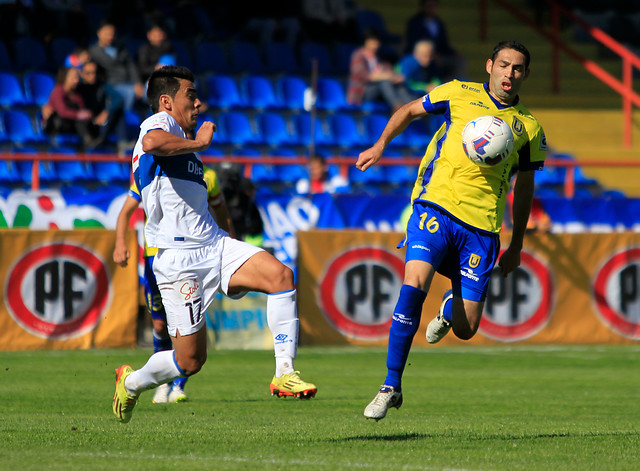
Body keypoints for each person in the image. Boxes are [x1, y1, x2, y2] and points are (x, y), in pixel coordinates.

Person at [112, 65, 317, 423]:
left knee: (281, 276)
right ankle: (131, 383)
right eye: (191, 95)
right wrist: (200, 143)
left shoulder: (185, 150)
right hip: (177, 259)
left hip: (215, 246)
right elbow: (150, 143)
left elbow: (209, 204)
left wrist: (231, 237)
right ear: (166, 101)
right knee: (189, 361)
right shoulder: (157, 126)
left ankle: (284, 373)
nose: (199, 102)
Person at [357, 40, 547, 421]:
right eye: (504, 65)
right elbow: (410, 109)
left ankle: (450, 308)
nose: (510, 74)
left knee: (466, 328)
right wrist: (380, 145)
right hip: (435, 207)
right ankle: (390, 385)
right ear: (489, 65)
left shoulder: (529, 128)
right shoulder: (459, 91)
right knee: (413, 285)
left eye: (518, 69)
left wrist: (517, 244)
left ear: (525, 75)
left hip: (482, 229)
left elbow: (525, 188)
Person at [113, 165, 235, 403]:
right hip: (155, 258)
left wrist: (229, 242)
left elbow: (221, 210)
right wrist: (120, 243)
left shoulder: (207, 176)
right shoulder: (150, 174)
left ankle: (178, 386)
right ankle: (162, 384)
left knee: (186, 324)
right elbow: (126, 211)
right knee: (160, 325)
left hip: (190, 258)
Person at [347, 30, 413, 112]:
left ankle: (410, 106)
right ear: (366, 42)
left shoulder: (377, 57)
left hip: (379, 90)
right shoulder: (358, 56)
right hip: (362, 91)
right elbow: (363, 76)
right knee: (384, 82)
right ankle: (398, 107)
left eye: (377, 43)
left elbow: (387, 69)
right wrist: (385, 76)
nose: (375, 46)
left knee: (397, 84)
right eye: (373, 43)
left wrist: (394, 77)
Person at [88, 20, 144, 111]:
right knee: (130, 93)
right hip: (111, 84)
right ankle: (125, 118)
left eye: (112, 34)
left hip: (129, 82)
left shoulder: (121, 48)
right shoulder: (93, 52)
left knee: (147, 94)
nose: (110, 37)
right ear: (99, 33)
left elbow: (131, 66)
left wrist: (137, 82)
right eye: (107, 34)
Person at [404, 0, 464, 80]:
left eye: (433, 6)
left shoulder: (439, 23)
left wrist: (453, 53)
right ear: (423, 7)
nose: (431, 9)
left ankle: (455, 84)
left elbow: (444, 44)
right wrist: (430, 54)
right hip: (422, 54)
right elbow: (412, 42)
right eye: (429, 6)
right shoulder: (415, 22)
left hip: (439, 55)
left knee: (459, 60)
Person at [42, 67, 98, 149]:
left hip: (73, 125)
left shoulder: (77, 94)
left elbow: (82, 110)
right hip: (56, 125)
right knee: (78, 117)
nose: (77, 80)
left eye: (77, 77)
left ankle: (90, 142)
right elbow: (62, 112)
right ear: (65, 77)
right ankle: (87, 140)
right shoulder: (58, 91)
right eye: (74, 77)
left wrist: (86, 115)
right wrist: (79, 115)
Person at [77, 60, 126, 148]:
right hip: (84, 122)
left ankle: (122, 143)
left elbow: (118, 99)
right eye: (89, 73)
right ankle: (88, 142)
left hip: (100, 121)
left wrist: (106, 112)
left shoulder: (102, 86)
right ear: (82, 74)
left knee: (118, 111)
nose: (93, 76)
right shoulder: (78, 89)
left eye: (94, 73)